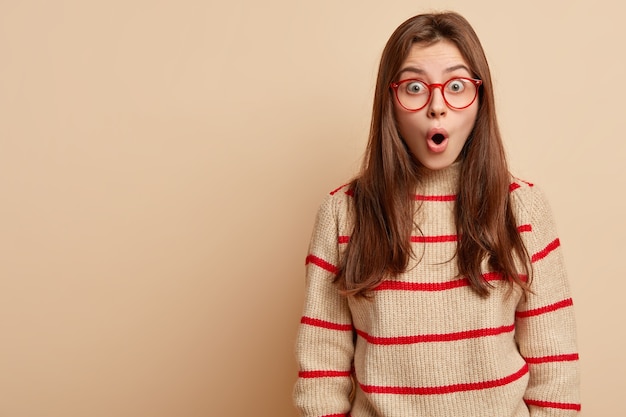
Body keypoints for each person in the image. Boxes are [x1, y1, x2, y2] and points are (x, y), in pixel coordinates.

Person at [293, 11, 580, 417]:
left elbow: (556, 370)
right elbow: (321, 374)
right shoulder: (343, 214)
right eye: (414, 87)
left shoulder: (524, 209)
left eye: (457, 85)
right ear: (389, 102)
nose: (437, 107)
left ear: (481, 99)